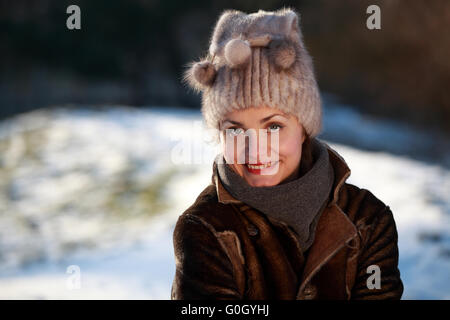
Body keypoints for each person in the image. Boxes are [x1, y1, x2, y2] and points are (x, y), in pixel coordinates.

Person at [171, 8, 403, 300]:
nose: (254, 149)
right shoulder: (206, 229)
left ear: (303, 128)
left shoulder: (368, 220)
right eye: (234, 130)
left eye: (274, 126)